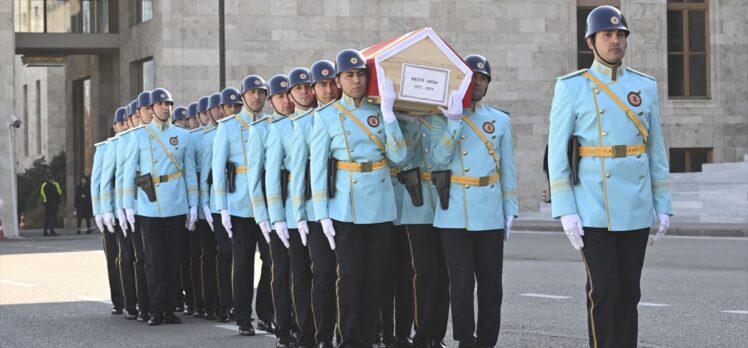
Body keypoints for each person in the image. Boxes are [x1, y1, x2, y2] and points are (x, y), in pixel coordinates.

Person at [547, 6, 672, 348]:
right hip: (592, 205)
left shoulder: (644, 86)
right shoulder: (572, 87)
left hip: (634, 202)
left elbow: (655, 150)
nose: (615, 41)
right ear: (591, 41)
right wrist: (565, 209)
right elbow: (556, 153)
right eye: (607, 35)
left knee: (630, 291)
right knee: (604, 289)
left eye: (620, 35)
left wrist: (663, 203)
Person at [309, 48, 408, 347]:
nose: (356, 80)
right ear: (338, 81)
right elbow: (317, 166)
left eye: (361, 74)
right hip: (346, 205)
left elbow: (399, 158)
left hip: (379, 202)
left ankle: (368, 338)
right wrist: (321, 211)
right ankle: (351, 340)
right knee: (350, 278)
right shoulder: (327, 116)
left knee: (376, 279)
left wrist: (389, 115)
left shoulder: (381, 111)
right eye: (349, 75)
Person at [430, 54, 518, 348]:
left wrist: (510, 209)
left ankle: (487, 341)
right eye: (473, 77)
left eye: (483, 78)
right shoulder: (440, 117)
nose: (478, 82)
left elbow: (508, 169)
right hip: (454, 212)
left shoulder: (500, 120)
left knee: (492, 285)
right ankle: (466, 339)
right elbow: (437, 160)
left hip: (489, 212)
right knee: (462, 283)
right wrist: (454, 123)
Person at [122, 88, 199, 326]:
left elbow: (189, 173)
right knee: (154, 260)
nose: (165, 108)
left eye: (168, 104)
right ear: (151, 109)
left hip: (176, 203)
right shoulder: (138, 136)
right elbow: (128, 174)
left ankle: (169, 308)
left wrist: (193, 204)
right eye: (160, 104)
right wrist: (128, 206)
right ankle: (155, 309)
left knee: (174, 258)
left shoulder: (183, 135)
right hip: (149, 204)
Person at [213, 79, 272, 336]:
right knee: (243, 262)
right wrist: (222, 207)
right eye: (252, 92)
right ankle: (243, 317)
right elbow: (218, 169)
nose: (257, 97)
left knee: (272, 261)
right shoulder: (228, 127)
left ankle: (267, 313)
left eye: (261, 92)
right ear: (243, 96)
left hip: (270, 204)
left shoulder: (272, 123)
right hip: (240, 204)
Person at [289, 59, 340, 348]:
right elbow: (299, 174)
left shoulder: (348, 116)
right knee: (322, 274)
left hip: (346, 209)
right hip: (316, 213)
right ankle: (321, 337)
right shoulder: (307, 122)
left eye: (333, 82)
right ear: (313, 89)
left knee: (346, 276)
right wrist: (299, 216)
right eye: (322, 84)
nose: (330, 89)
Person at [262, 73, 300, 348]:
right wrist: (270, 217)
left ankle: (300, 326)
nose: (287, 101)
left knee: (301, 273)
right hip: (279, 210)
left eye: (289, 95)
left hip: (301, 210)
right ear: (270, 102)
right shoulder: (267, 130)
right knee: (281, 271)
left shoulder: (301, 124)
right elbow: (264, 179)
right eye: (279, 97)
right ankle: (283, 328)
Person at [200, 92, 233, 323]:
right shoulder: (206, 137)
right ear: (210, 111)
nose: (222, 111)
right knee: (217, 255)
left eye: (227, 107)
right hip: (213, 204)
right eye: (218, 108)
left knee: (232, 255)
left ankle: (230, 303)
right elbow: (205, 175)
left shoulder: (237, 129)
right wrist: (202, 205)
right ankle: (217, 303)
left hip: (236, 201)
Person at [91, 129, 124, 315]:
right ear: (115, 126)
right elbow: (98, 183)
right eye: (121, 123)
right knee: (114, 257)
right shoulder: (105, 149)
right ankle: (118, 300)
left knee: (130, 257)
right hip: (110, 211)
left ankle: (132, 298)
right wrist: (100, 211)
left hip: (131, 209)